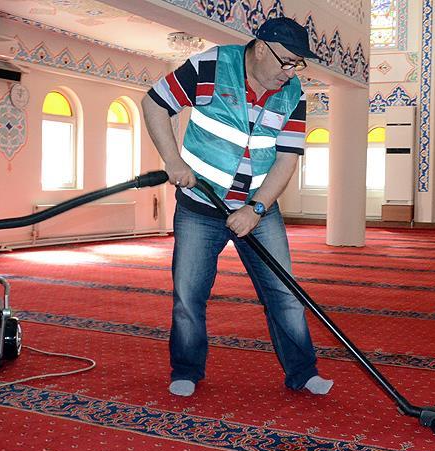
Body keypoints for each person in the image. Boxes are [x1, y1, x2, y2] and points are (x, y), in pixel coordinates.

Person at [141, 17, 333, 397]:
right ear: (260, 48)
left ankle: (303, 372)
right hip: (200, 206)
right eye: (287, 61)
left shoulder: (293, 92)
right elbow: (154, 103)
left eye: (297, 64)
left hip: (257, 209)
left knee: (284, 292)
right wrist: (172, 161)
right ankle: (186, 370)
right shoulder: (212, 66)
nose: (291, 72)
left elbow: (286, 159)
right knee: (189, 294)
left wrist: (256, 209)